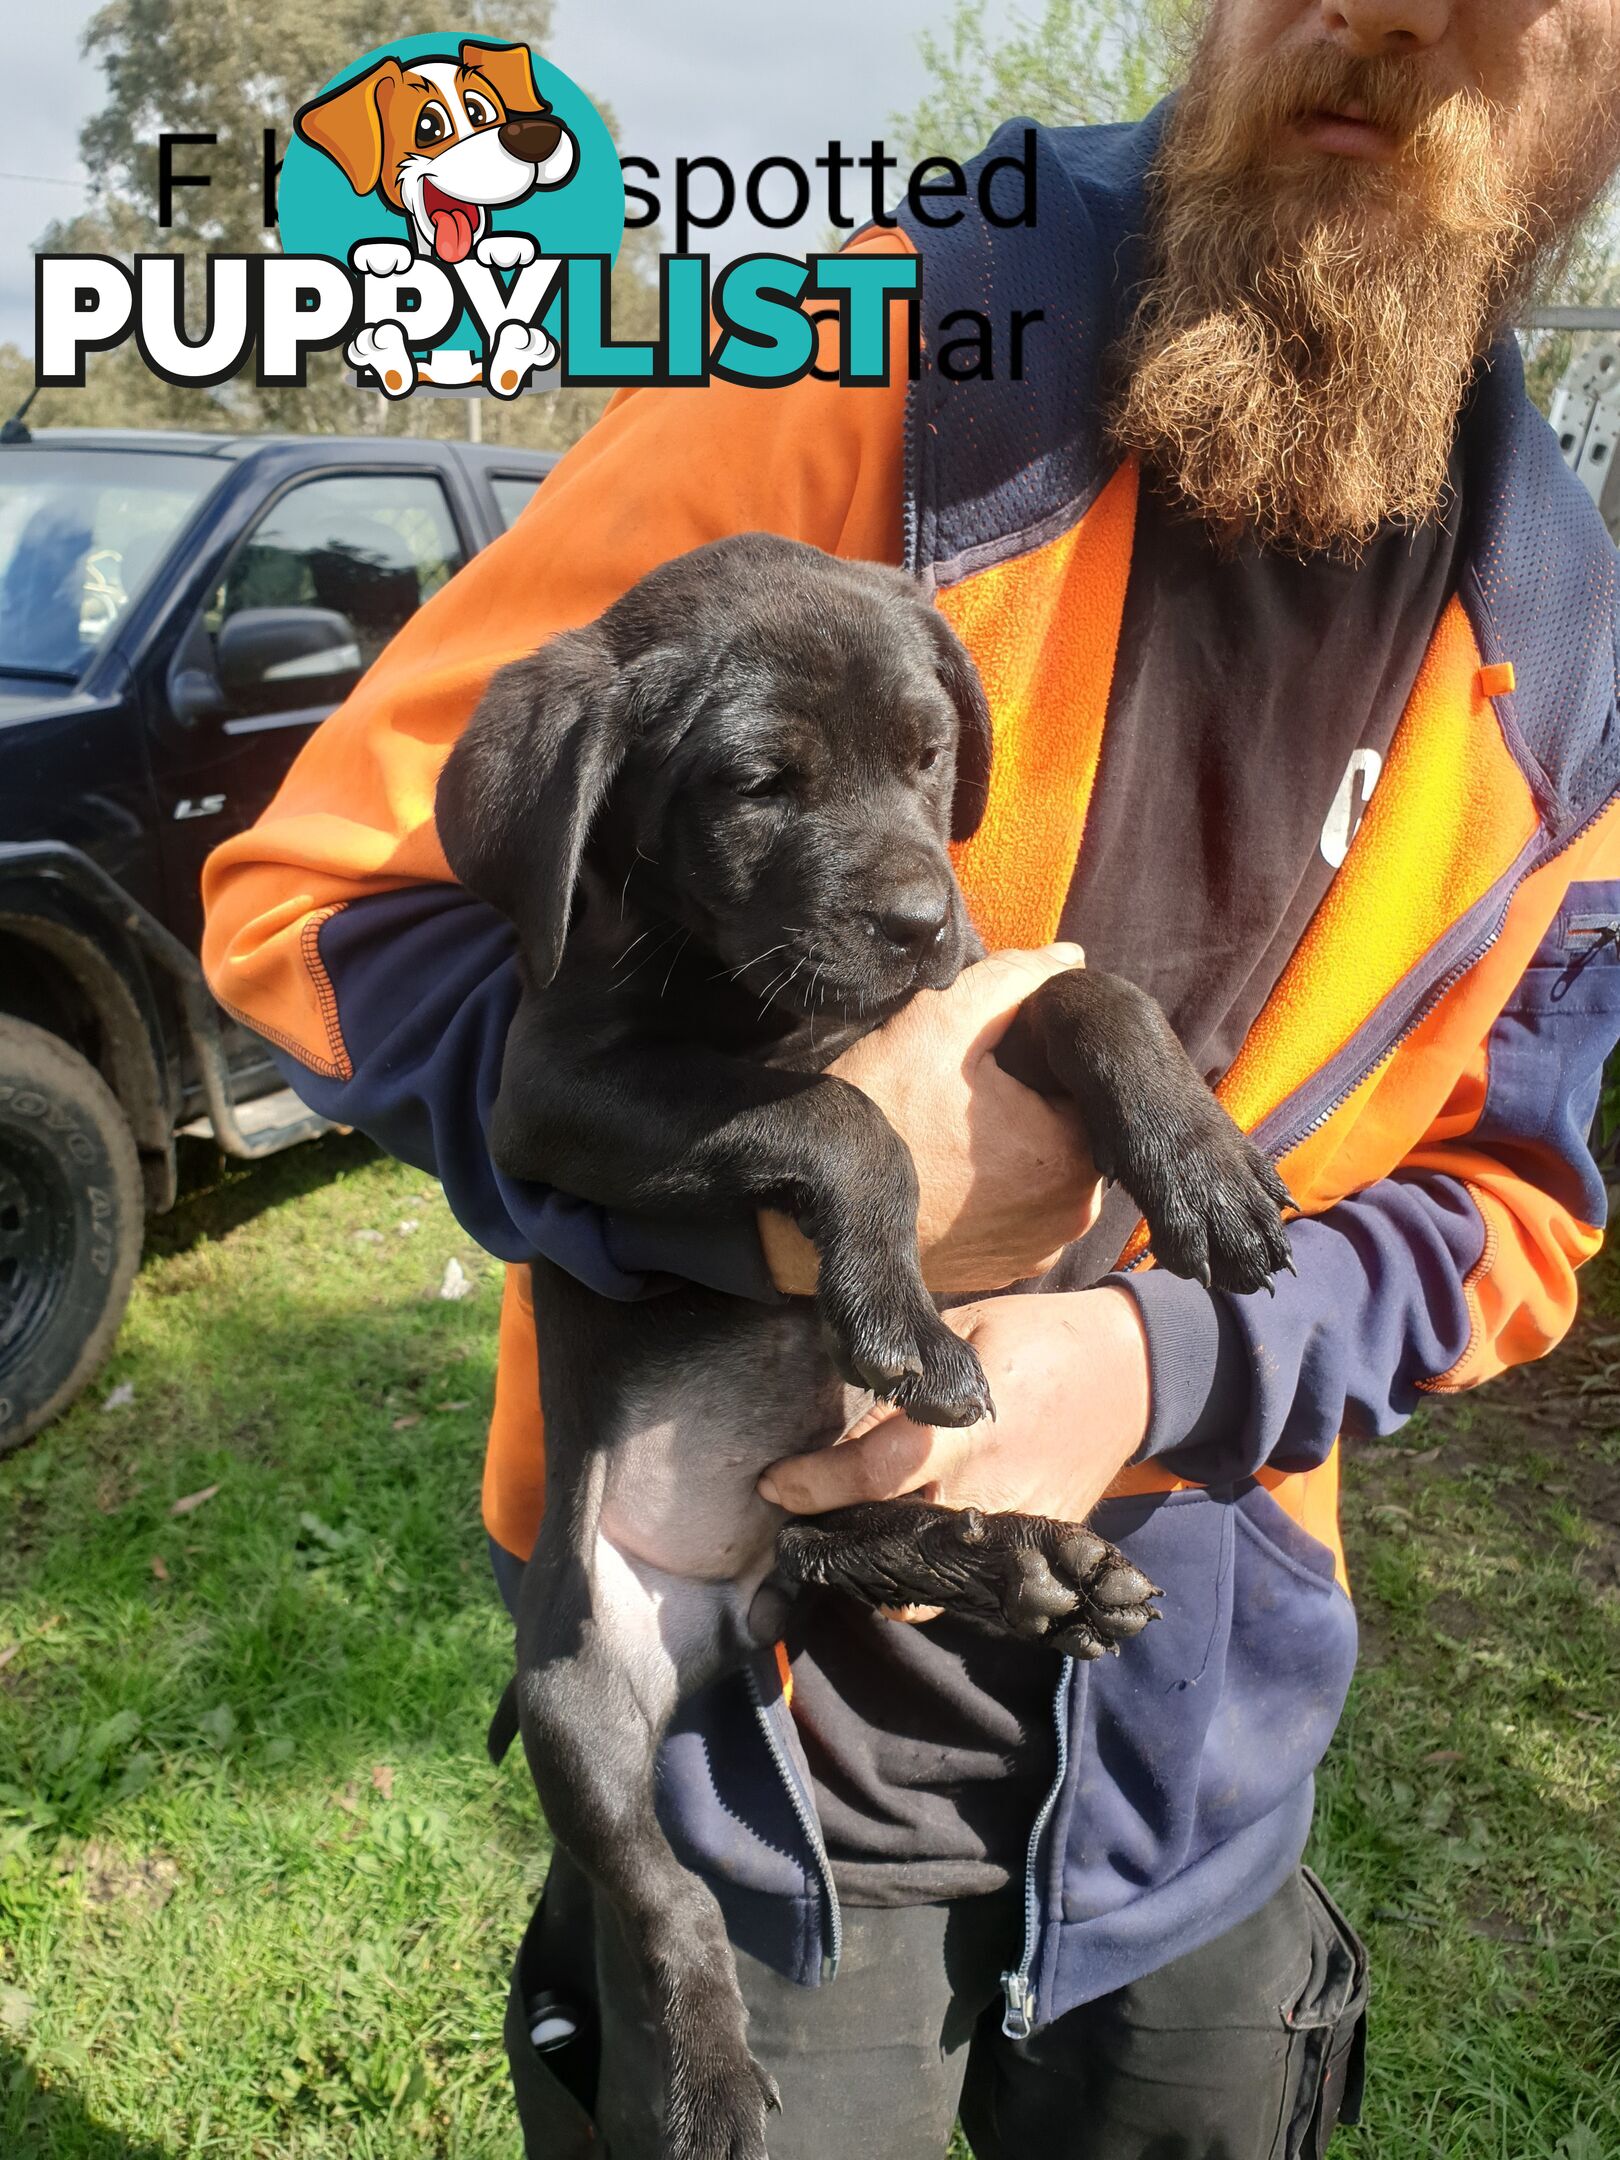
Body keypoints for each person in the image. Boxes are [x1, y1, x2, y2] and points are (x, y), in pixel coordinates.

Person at [201, 0, 1620, 2151]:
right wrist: (776, 1181)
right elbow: (326, 909)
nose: (1389, 8)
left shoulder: (1577, 651)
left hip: (1195, 1757)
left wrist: (1151, 1372)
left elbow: (1509, 1211)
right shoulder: (867, 339)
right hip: (748, 1754)